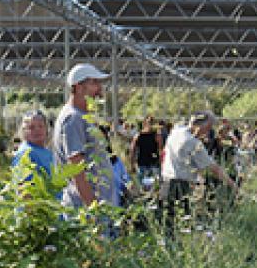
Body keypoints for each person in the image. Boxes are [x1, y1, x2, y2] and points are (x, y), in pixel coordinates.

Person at [52, 63, 116, 208]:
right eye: (94, 82)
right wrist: (93, 208)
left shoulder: (82, 116)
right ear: (79, 87)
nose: (99, 88)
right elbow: (77, 167)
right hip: (85, 210)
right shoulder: (73, 119)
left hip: (95, 205)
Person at [160, 110, 237, 222]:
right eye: (209, 126)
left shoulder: (176, 132)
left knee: (167, 219)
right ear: (201, 126)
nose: (209, 130)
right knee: (182, 220)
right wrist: (233, 185)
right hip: (180, 186)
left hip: (165, 182)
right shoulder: (193, 143)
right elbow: (214, 168)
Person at [12, 110, 54, 178]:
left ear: (46, 129)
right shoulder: (25, 153)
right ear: (23, 131)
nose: (37, 130)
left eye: (41, 126)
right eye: (31, 127)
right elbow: (23, 184)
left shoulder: (46, 151)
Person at [130, 116, 162, 184]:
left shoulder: (138, 135)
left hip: (147, 164)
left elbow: (132, 151)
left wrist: (132, 165)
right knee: (153, 187)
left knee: (146, 187)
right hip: (149, 164)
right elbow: (160, 150)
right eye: (150, 122)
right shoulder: (156, 136)